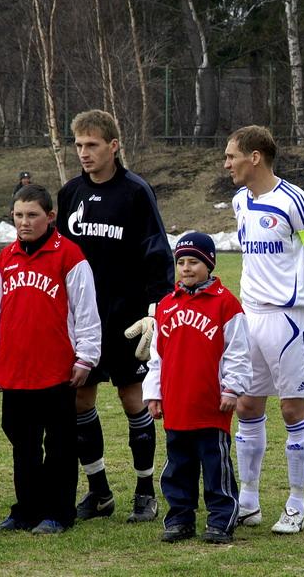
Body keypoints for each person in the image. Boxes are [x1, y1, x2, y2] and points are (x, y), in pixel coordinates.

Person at [56, 109, 175, 524]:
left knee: (133, 399)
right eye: (78, 146)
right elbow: (59, 258)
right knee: (79, 398)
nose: (84, 153)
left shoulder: (136, 192)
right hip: (81, 319)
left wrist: (156, 311)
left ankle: (145, 490)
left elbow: (158, 254)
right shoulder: (70, 193)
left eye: (91, 145)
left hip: (127, 318)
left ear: (113, 146)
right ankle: (99, 490)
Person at [225, 125, 304, 535]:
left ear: (255, 157)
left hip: (289, 320)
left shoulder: (296, 202)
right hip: (249, 318)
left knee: (292, 409)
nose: (227, 163)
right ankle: (249, 500)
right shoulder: (239, 202)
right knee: (247, 406)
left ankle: (295, 503)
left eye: (231, 155)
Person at [0, 184, 101, 535]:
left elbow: (86, 311)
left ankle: (58, 511)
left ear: (50, 217)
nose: (24, 222)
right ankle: (26, 509)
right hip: (17, 366)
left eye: (32, 215)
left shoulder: (70, 256)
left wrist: (86, 357)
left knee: (60, 444)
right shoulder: (6, 258)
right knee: (23, 442)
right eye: (18, 215)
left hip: (56, 368)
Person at [143, 232, 251, 545]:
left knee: (216, 468)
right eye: (181, 262)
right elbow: (157, 356)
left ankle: (220, 520)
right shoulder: (166, 305)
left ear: (209, 264)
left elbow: (238, 352)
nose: (187, 268)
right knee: (178, 468)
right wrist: (154, 394)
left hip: (211, 405)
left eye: (194, 262)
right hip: (177, 403)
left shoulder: (225, 305)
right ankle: (180, 518)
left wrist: (232, 388)